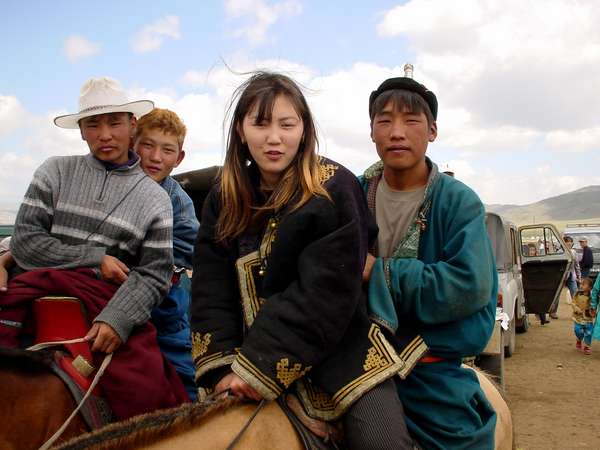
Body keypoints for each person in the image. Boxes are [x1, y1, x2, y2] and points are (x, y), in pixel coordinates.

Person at [191, 72, 425, 450]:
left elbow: (324, 293)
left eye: (287, 124)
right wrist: (222, 368)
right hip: (240, 360)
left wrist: (257, 368)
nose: (274, 138)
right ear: (240, 130)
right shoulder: (224, 196)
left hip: (340, 355)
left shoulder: (334, 187)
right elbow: (209, 287)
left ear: (303, 129)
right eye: (260, 123)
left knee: (383, 444)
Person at [0, 77, 188, 420]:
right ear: (81, 130)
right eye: (93, 124)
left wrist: (119, 320)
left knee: (148, 397)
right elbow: (26, 241)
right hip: (31, 298)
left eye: (115, 122)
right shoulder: (54, 171)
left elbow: (155, 273)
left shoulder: (156, 198)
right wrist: (94, 259)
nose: (105, 134)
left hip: (105, 308)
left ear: (132, 126)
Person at [360, 75, 498, 449]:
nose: (396, 132)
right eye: (384, 121)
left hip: (430, 367)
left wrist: (379, 273)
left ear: (432, 131)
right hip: (356, 360)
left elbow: (468, 286)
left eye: (411, 120)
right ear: (371, 131)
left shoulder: (459, 202)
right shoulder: (352, 195)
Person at [133, 108, 200, 401]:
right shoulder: (115, 185)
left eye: (167, 150)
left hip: (164, 302)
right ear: (133, 144)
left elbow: (189, 245)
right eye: (148, 145)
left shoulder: (177, 200)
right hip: (110, 290)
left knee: (184, 374)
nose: (155, 157)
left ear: (179, 158)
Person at [572, 277, 595, 355]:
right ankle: (579, 339)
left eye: (584, 284)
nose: (581, 286)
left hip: (588, 318)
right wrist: (576, 308)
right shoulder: (577, 293)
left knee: (589, 333)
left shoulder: (593, 296)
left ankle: (587, 347)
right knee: (578, 330)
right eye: (581, 284)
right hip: (578, 318)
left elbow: (594, 305)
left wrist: (593, 310)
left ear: (590, 287)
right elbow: (573, 302)